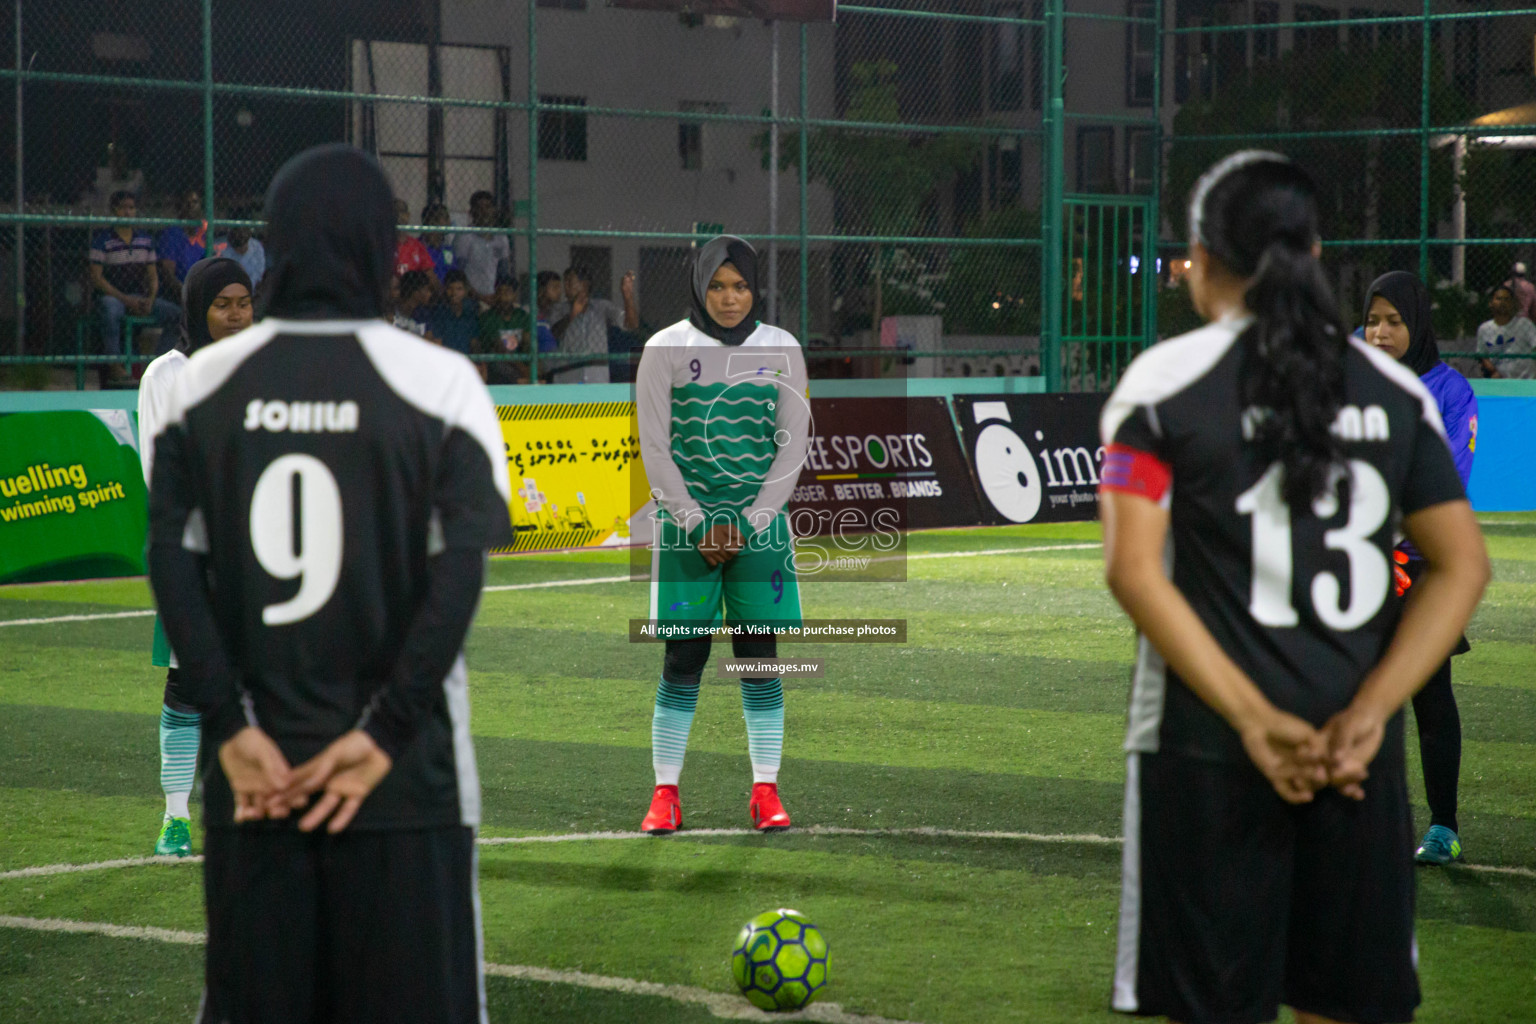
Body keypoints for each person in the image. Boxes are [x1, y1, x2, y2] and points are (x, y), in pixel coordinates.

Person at [1100, 151, 1488, 1024]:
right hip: (1357, 757)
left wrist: (1254, 721)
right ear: (1314, 254)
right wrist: (1369, 712)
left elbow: (1131, 570)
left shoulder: (1160, 388)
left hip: (1204, 752)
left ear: (1203, 260)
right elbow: (1462, 566)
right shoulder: (1396, 393)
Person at [145, 143, 513, 1023]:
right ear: (381, 243)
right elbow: (458, 579)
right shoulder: (441, 383)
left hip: (257, 779)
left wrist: (229, 731)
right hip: (404, 788)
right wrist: (383, 735)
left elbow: (172, 566)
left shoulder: (201, 387)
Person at [635, 235, 811, 836]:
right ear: (698, 285)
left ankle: (765, 791)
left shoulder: (782, 348)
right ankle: (665, 794)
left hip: (759, 532)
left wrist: (750, 524)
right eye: (717, 285)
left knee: (759, 660)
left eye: (739, 286)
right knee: (683, 658)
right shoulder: (664, 348)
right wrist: (696, 522)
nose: (729, 298)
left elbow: (793, 447)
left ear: (755, 287)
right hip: (688, 530)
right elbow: (654, 448)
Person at [137, 257, 254, 857]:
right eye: (222, 304)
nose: (235, 315)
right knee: (188, 684)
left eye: (243, 302)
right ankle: (175, 818)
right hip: (197, 553)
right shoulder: (167, 374)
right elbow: (162, 472)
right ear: (197, 309)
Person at [1362, 270, 1479, 866]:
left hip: (1419, 565)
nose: (1380, 333)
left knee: (1430, 696)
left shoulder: (1449, 391)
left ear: (1417, 325)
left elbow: (1448, 480)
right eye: (1373, 320)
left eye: (1394, 321)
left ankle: (1443, 828)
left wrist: (1397, 546)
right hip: (1353, 562)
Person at [88, 190, 180, 387]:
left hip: (139, 297)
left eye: (131, 208)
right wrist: (124, 299)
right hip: (113, 296)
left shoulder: (145, 240)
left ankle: (156, 367)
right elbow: (97, 278)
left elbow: (153, 275)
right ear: (114, 211)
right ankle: (115, 365)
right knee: (110, 309)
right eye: (123, 208)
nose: (128, 212)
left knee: (176, 315)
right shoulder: (102, 240)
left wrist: (151, 298)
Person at [555, 264, 638, 383]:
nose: (565, 286)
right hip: (568, 379)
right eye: (565, 282)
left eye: (570, 282)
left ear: (585, 284)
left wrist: (628, 296)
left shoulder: (602, 307)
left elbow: (631, 325)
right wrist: (573, 313)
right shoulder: (559, 309)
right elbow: (554, 333)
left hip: (596, 380)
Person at [453, 190, 512, 304]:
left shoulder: (501, 238)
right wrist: (479, 296)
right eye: (479, 208)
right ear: (472, 212)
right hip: (470, 298)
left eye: (488, 207)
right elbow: (459, 274)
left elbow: (503, 272)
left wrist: (499, 295)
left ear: (494, 210)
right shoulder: (465, 237)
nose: (484, 211)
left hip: (494, 297)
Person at [474, 274, 529, 384]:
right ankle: (520, 381)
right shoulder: (488, 317)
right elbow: (500, 348)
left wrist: (533, 368)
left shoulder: (522, 315)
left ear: (514, 295)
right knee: (498, 363)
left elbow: (528, 343)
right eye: (499, 292)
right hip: (498, 362)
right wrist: (525, 370)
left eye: (507, 292)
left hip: (519, 361)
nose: (503, 297)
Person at [1475, 282, 1536, 380]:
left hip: (1525, 381)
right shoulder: (1484, 328)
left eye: (1506, 299)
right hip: (1500, 381)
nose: (1502, 302)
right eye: (1499, 299)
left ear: (1512, 304)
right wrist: (1494, 371)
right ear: (1491, 303)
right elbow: (1483, 355)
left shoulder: (1524, 324)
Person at [157, 189, 209, 300]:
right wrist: (188, 295)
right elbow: (168, 276)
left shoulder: (203, 234)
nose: (190, 206)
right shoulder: (171, 234)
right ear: (179, 206)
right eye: (186, 202)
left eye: (195, 202)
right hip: (176, 296)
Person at [426, 269, 480, 356]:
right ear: (445, 290)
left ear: (466, 291)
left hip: (465, 361)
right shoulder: (439, 314)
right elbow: (437, 343)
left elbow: (474, 343)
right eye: (450, 288)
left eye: (459, 289)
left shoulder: (470, 314)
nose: (454, 293)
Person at [212, 210, 266, 288]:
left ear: (250, 231)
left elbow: (258, 277)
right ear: (229, 230)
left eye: (244, 229)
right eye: (236, 229)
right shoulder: (218, 246)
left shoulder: (257, 247)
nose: (240, 233)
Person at [394, 197, 435, 282]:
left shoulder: (416, 245)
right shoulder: (384, 245)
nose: (398, 215)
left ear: (408, 215)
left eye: (401, 211)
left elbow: (429, 272)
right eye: (394, 212)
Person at [421, 202, 457, 284]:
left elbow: (454, 273)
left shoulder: (447, 249)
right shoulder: (419, 247)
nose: (449, 222)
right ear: (432, 220)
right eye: (446, 217)